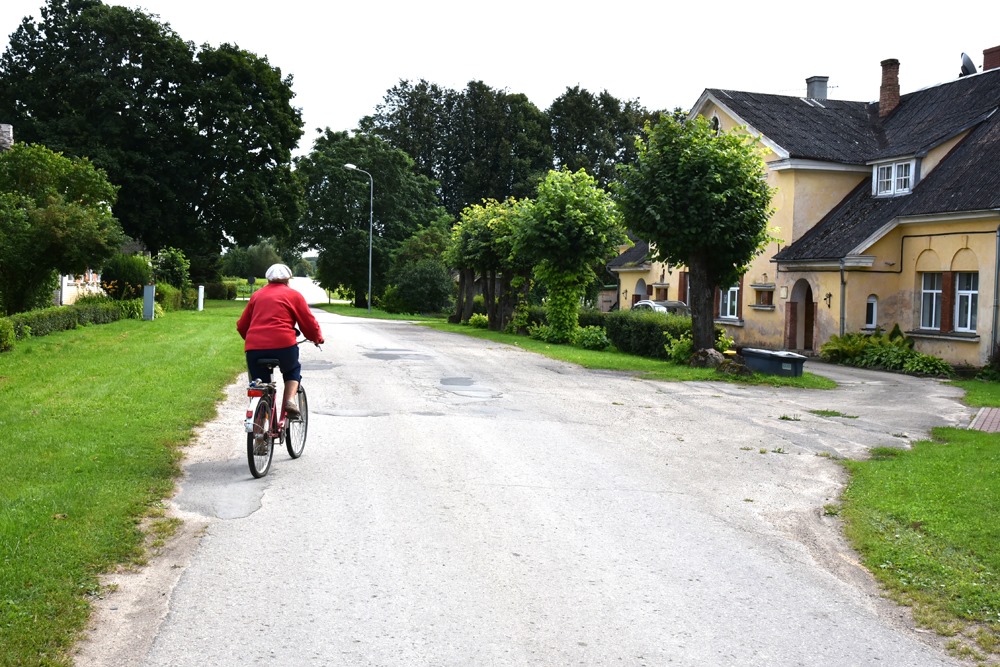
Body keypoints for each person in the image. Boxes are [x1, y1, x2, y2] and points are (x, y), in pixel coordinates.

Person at [236, 263, 324, 417]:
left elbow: (242, 326)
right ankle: (290, 400)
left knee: (260, 385)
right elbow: (308, 323)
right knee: (292, 370)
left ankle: (259, 425)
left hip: (255, 349)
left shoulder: (257, 295)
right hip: (284, 346)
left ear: (268, 280)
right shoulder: (294, 295)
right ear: (288, 279)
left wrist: (253, 341)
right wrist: (317, 338)